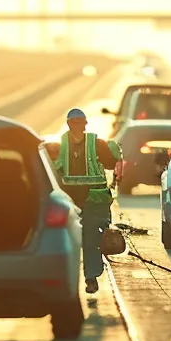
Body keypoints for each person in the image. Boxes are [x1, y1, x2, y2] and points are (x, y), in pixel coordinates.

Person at [43, 108, 121, 294]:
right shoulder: (92, 144)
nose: (78, 126)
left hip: (85, 200)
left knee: (86, 239)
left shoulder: (62, 146)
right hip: (76, 200)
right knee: (87, 239)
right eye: (77, 123)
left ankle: (88, 278)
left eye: (79, 123)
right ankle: (87, 278)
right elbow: (112, 161)